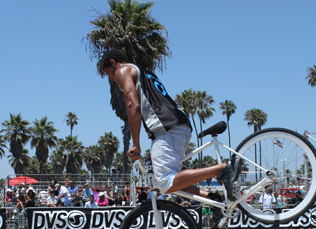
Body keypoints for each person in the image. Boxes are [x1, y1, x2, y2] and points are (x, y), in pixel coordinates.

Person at [99, 49, 241, 208]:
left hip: (165, 127)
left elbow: (133, 105)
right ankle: (214, 199)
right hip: (178, 124)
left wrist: (136, 144)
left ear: (113, 63)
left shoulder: (123, 70)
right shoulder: (144, 72)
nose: (111, 78)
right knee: (174, 181)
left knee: (165, 182)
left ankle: (223, 168)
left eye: (108, 73)